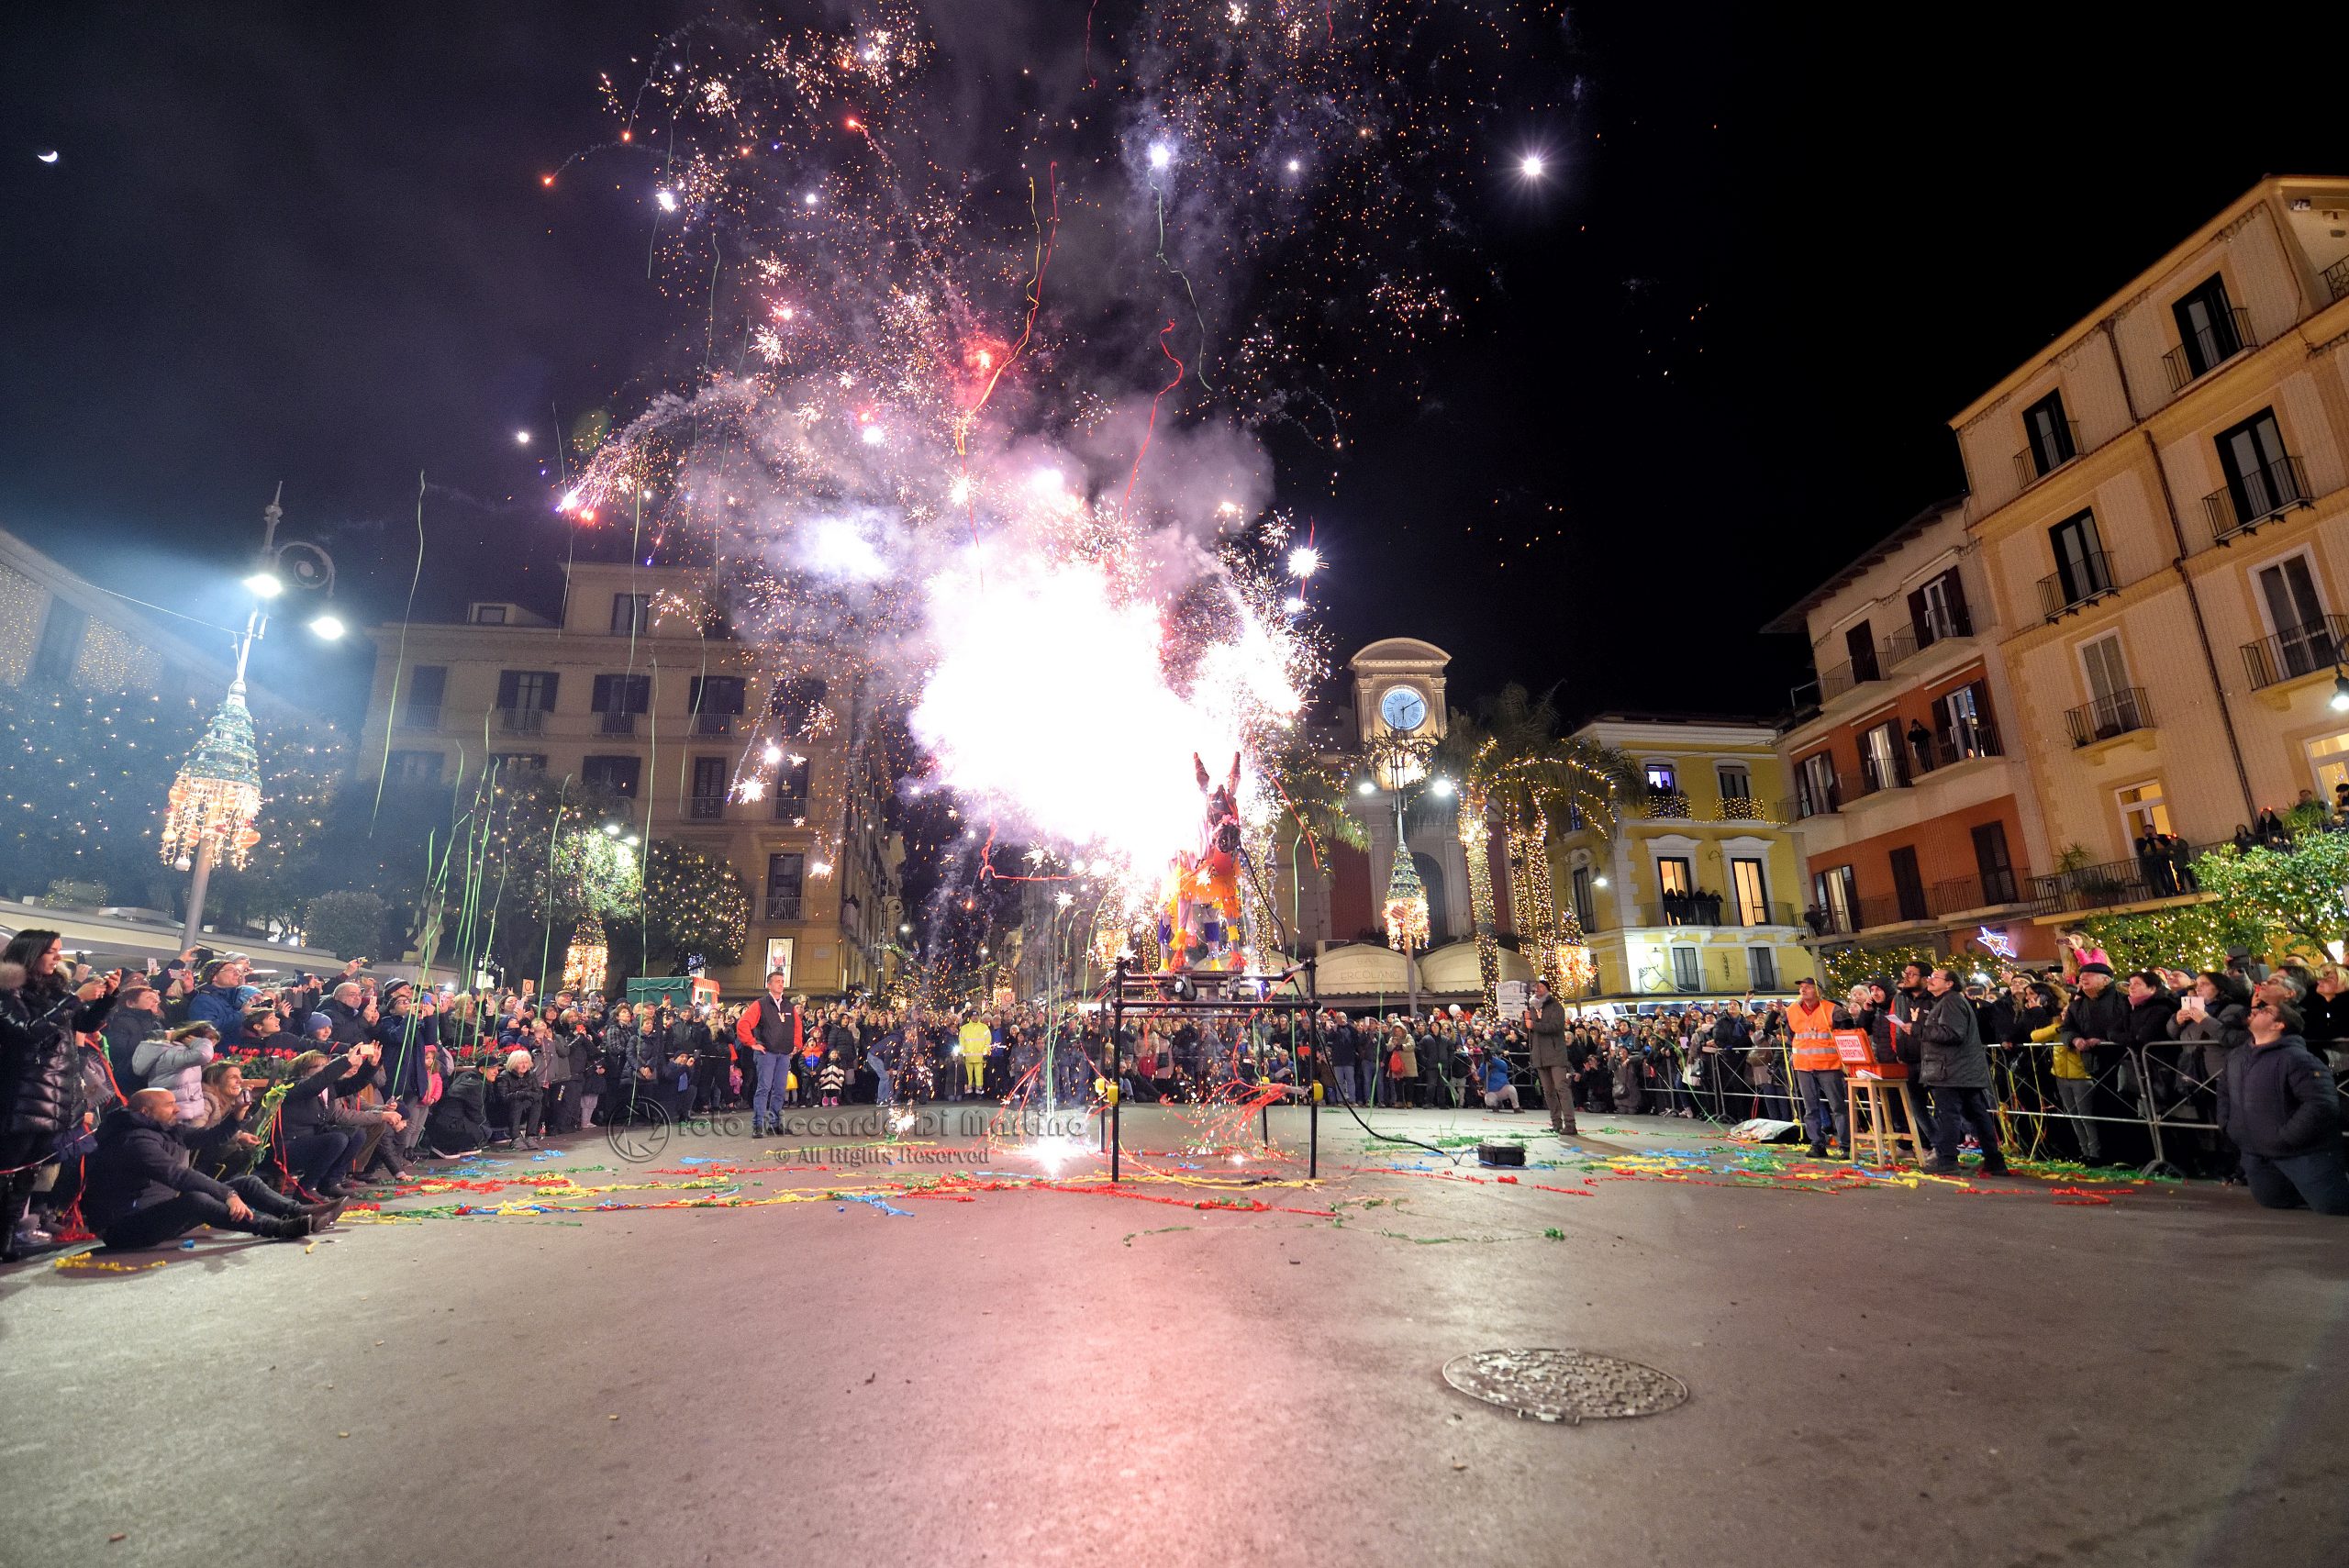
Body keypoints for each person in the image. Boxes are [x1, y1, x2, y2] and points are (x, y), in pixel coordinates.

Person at [1, 933, 124, 1258]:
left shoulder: (55, 990)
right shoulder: (7, 987)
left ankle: (7, 1238)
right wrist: (74, 999)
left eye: (58, 951)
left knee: (28, 1170)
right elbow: (24, 1031)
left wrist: (105, 999)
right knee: (7, 1169)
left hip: (56, 1091)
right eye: (51, 952)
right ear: (30, 953)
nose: (57, 958)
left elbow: (81, 1024)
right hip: (22, 1091)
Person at [2224, 1000, 2348, 1214]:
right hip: (2256, 1150)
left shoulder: (2297, 1059)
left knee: (2334, 1206)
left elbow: (2321, 1104)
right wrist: (2229, 1126)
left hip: (2301, 1151)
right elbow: (2224, 1094)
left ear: (2278, 1025)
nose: (2255, 1012)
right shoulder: (2237, 1057)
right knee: (2272, 1200)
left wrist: (2286, 1137)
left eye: (2266, 1010)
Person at [1914, 968, 2009, 1175]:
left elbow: (1953, 1033)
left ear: (1949, 983)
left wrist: (1919, 1030)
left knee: (1949, 1116)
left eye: (1935, 977)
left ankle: (1947, 1160)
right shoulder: (1950, 1002)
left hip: (1951, 1071)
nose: (1930, 980)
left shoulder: (1951, 1002)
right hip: (1961, 1070)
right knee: (1977, 1115)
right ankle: (1994, 1160)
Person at [1784, 974, 1845, 1159]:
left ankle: (1846, 1145)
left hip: (1829, 1065)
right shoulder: (1792, 1011)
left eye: (1808, 987)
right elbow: (1790, 1036)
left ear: (1818, 991)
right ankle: (1817, 1143)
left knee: (1838, 1107)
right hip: (1804, 1066)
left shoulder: (1833, 1009)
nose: (1803, 989)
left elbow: (1846, 1032)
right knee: (1810, 1107)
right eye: (1801, 987)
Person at [735, 972, 804, 1136]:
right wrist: (752, 1043)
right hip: (767, 1052)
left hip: (783, 1053)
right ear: (769, 985)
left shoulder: (788, 1006)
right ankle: (758, 1125)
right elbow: (743, 1024)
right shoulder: (760, 1004)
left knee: (780, 1089)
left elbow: (797, 1027)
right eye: (777, 981)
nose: (781, 984)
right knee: (764, 1088)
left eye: (782, 981)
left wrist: (796, 1044)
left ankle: (775, 1124)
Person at [1525, 979, 1576, 1136]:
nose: (1537, 989)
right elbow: (1527, 1030)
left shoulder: (1556, 1007)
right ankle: (1556, 1122)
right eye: (1536, 987)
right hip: (1540, 1055)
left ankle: (1570, 1124)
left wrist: (1535, 1025)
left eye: (1540, 987)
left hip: (1555, 1053)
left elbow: (1555, 1027)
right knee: (1548, 1091)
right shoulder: (1533, 1007)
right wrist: (1525, 1020)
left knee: (1561, 1088)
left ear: (1547, 989)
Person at [1476, 1046, 1519, 1111]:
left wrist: (1492, 1059)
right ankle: (1495, 1107)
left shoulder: (1501, 1063)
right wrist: (1485, 1063)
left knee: (1512, 1089)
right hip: (1491, 1091)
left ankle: (1516, 1107)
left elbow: (1504, 1066)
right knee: (1489, 1101)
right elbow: (1480, 1075)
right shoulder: (1484, 1065)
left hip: (1503, 1089)